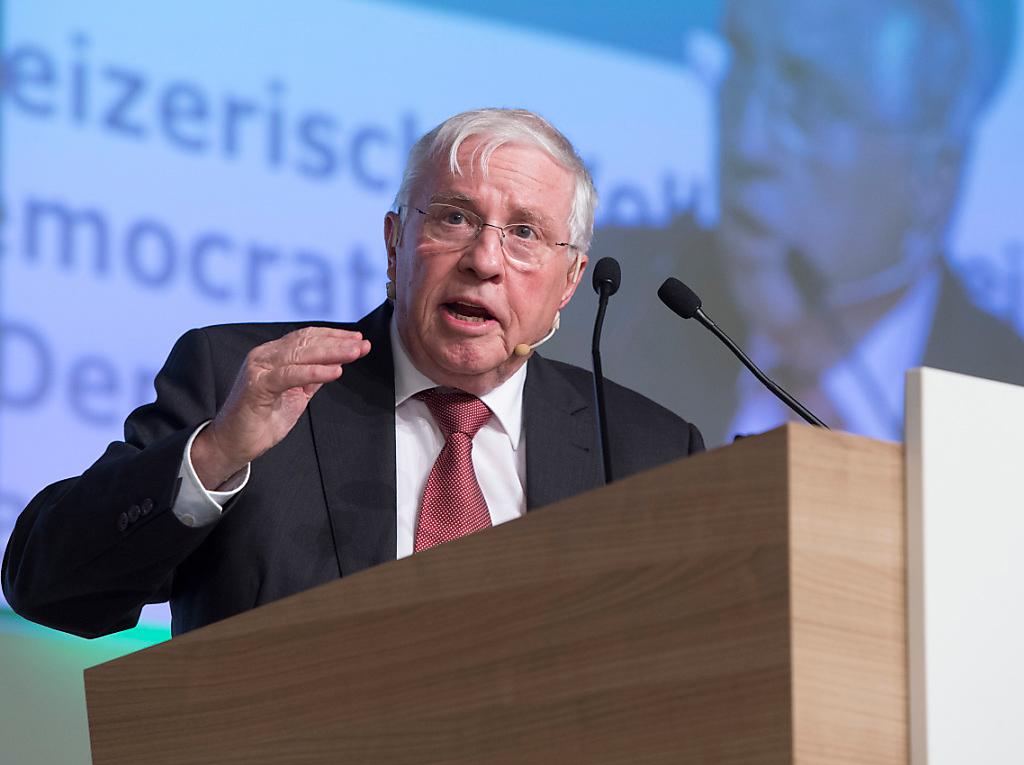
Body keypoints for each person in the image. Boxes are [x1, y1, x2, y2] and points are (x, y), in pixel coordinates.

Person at [2, 109, 704, 638]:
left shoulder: (648, 451)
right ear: (395, 245)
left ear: (570, 281)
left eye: (524, 233)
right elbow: (48, 587)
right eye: (455, 218)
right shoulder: (245, 382)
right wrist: (215, 454)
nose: (485, 260)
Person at [554, 0, 1024, 444]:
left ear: (932, 175)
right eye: (741, 65)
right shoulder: (596, 314)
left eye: (811, 101)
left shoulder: (1006, 392)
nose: (747, 144)